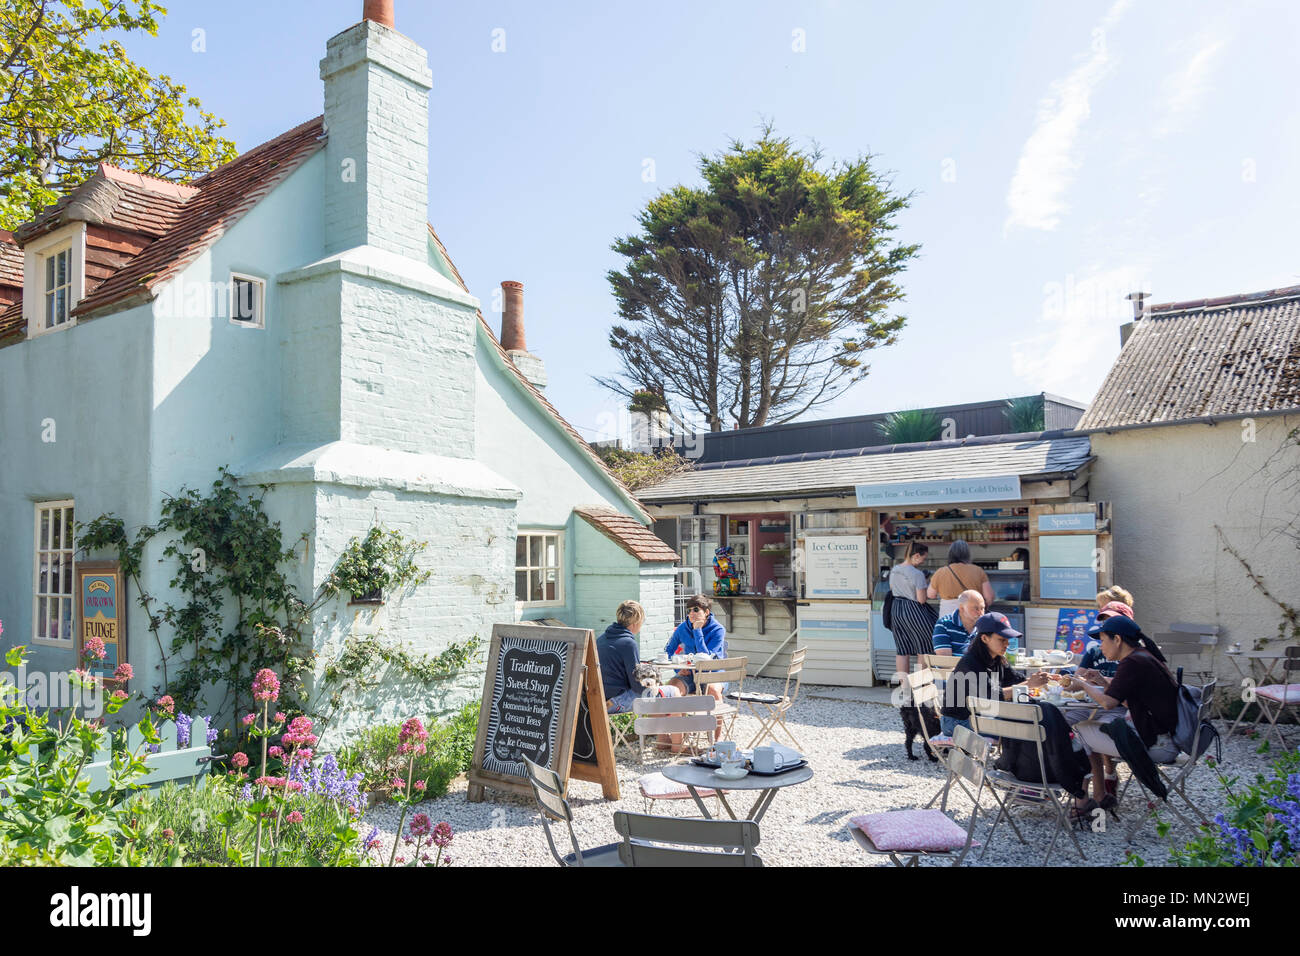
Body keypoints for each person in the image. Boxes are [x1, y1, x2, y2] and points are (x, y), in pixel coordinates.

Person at [1060, 616, 1180, 821]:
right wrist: (1101, 681)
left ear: (1117, 639)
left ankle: (1084, 801)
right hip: (1166, 738)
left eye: (1103, 640)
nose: (1101, 646)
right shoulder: (1143, 657)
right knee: (1088, 729)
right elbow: (1127, 702)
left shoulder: (1133, 662)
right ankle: (1097, 797)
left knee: (1077, 730)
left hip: (1156, 745)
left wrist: (1084, 685)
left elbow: (1108, 703)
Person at [940, 612, 1048, 736]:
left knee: (1033, 718)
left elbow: (1016, 679)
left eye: (1007, 639)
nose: (1007, 644)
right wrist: (1028, 684)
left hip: (981, 716)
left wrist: (1041, 680)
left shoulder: (997, 658)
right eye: (1002, 639)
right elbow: (992, 697)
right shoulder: (970, 662)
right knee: (1018, 726)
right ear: (985, 638)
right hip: (956, 722)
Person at [664, 594, 727, 702]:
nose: (691, 614)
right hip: (690, 674)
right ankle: (680, 719)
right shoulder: (682, 628)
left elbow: (705, 658)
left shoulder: (718, 630)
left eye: (696, 610)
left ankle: (718, 719)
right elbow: (668, 651)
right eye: (689, 611)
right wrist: (678, 669)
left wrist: (697, 630)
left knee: (712, 691)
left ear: (706, 612)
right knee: (672, 690)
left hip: (714, 673)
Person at [888, 542, 937, 679]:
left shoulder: (895, 569)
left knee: (902, 649)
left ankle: (905, 688)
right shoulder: (917, 574)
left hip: (896, 609)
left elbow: (892, 589)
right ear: (916, 555)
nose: (923, 561)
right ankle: (920, 685)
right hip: (913, 611)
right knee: (925, 646)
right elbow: (921, 599)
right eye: (923, 558)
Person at [598, 600, 647, 714]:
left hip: (597, 700)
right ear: (635, 622)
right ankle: (661, 731)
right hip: (615, 701)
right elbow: (637, 686)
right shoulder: (628, 644)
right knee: (667, 692)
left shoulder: (601, 639)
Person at [927, 540, 995, 617]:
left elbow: (930, 595)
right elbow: (989, 597)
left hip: (948, 617)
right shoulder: (978, 570)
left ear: (950, 554)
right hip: (972, 617)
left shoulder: (940, 572)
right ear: (968, 554)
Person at [931, 589, 984, 656]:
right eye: (976, 608)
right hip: (953, 666)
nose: (980, 613)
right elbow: (944, 662)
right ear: (962, 608)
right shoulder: (944, 624)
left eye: (982, 608)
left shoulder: (984, 627)